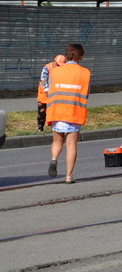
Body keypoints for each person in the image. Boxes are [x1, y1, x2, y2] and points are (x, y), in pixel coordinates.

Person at [45, 44, 90, 184]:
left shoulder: (55, 71)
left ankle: (54, 159)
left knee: (57, 141)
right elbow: (86, 94)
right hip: (73, 112)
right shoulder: (85, 73)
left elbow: (49, 89)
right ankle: (69, 176)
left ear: (67, 55)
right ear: (80, 57)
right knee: (71, 144)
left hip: (57, 111)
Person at [36, 54, 66, 132]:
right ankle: (40, 127)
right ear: (55, 62)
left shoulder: (63, 68)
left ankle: (53, 128)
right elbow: (43, 80)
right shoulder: (47, 67)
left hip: (54, 95)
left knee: (53, 112)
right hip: (44, 95)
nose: (60, 66)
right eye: (58, 64)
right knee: (42, 112)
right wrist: (48, 90)